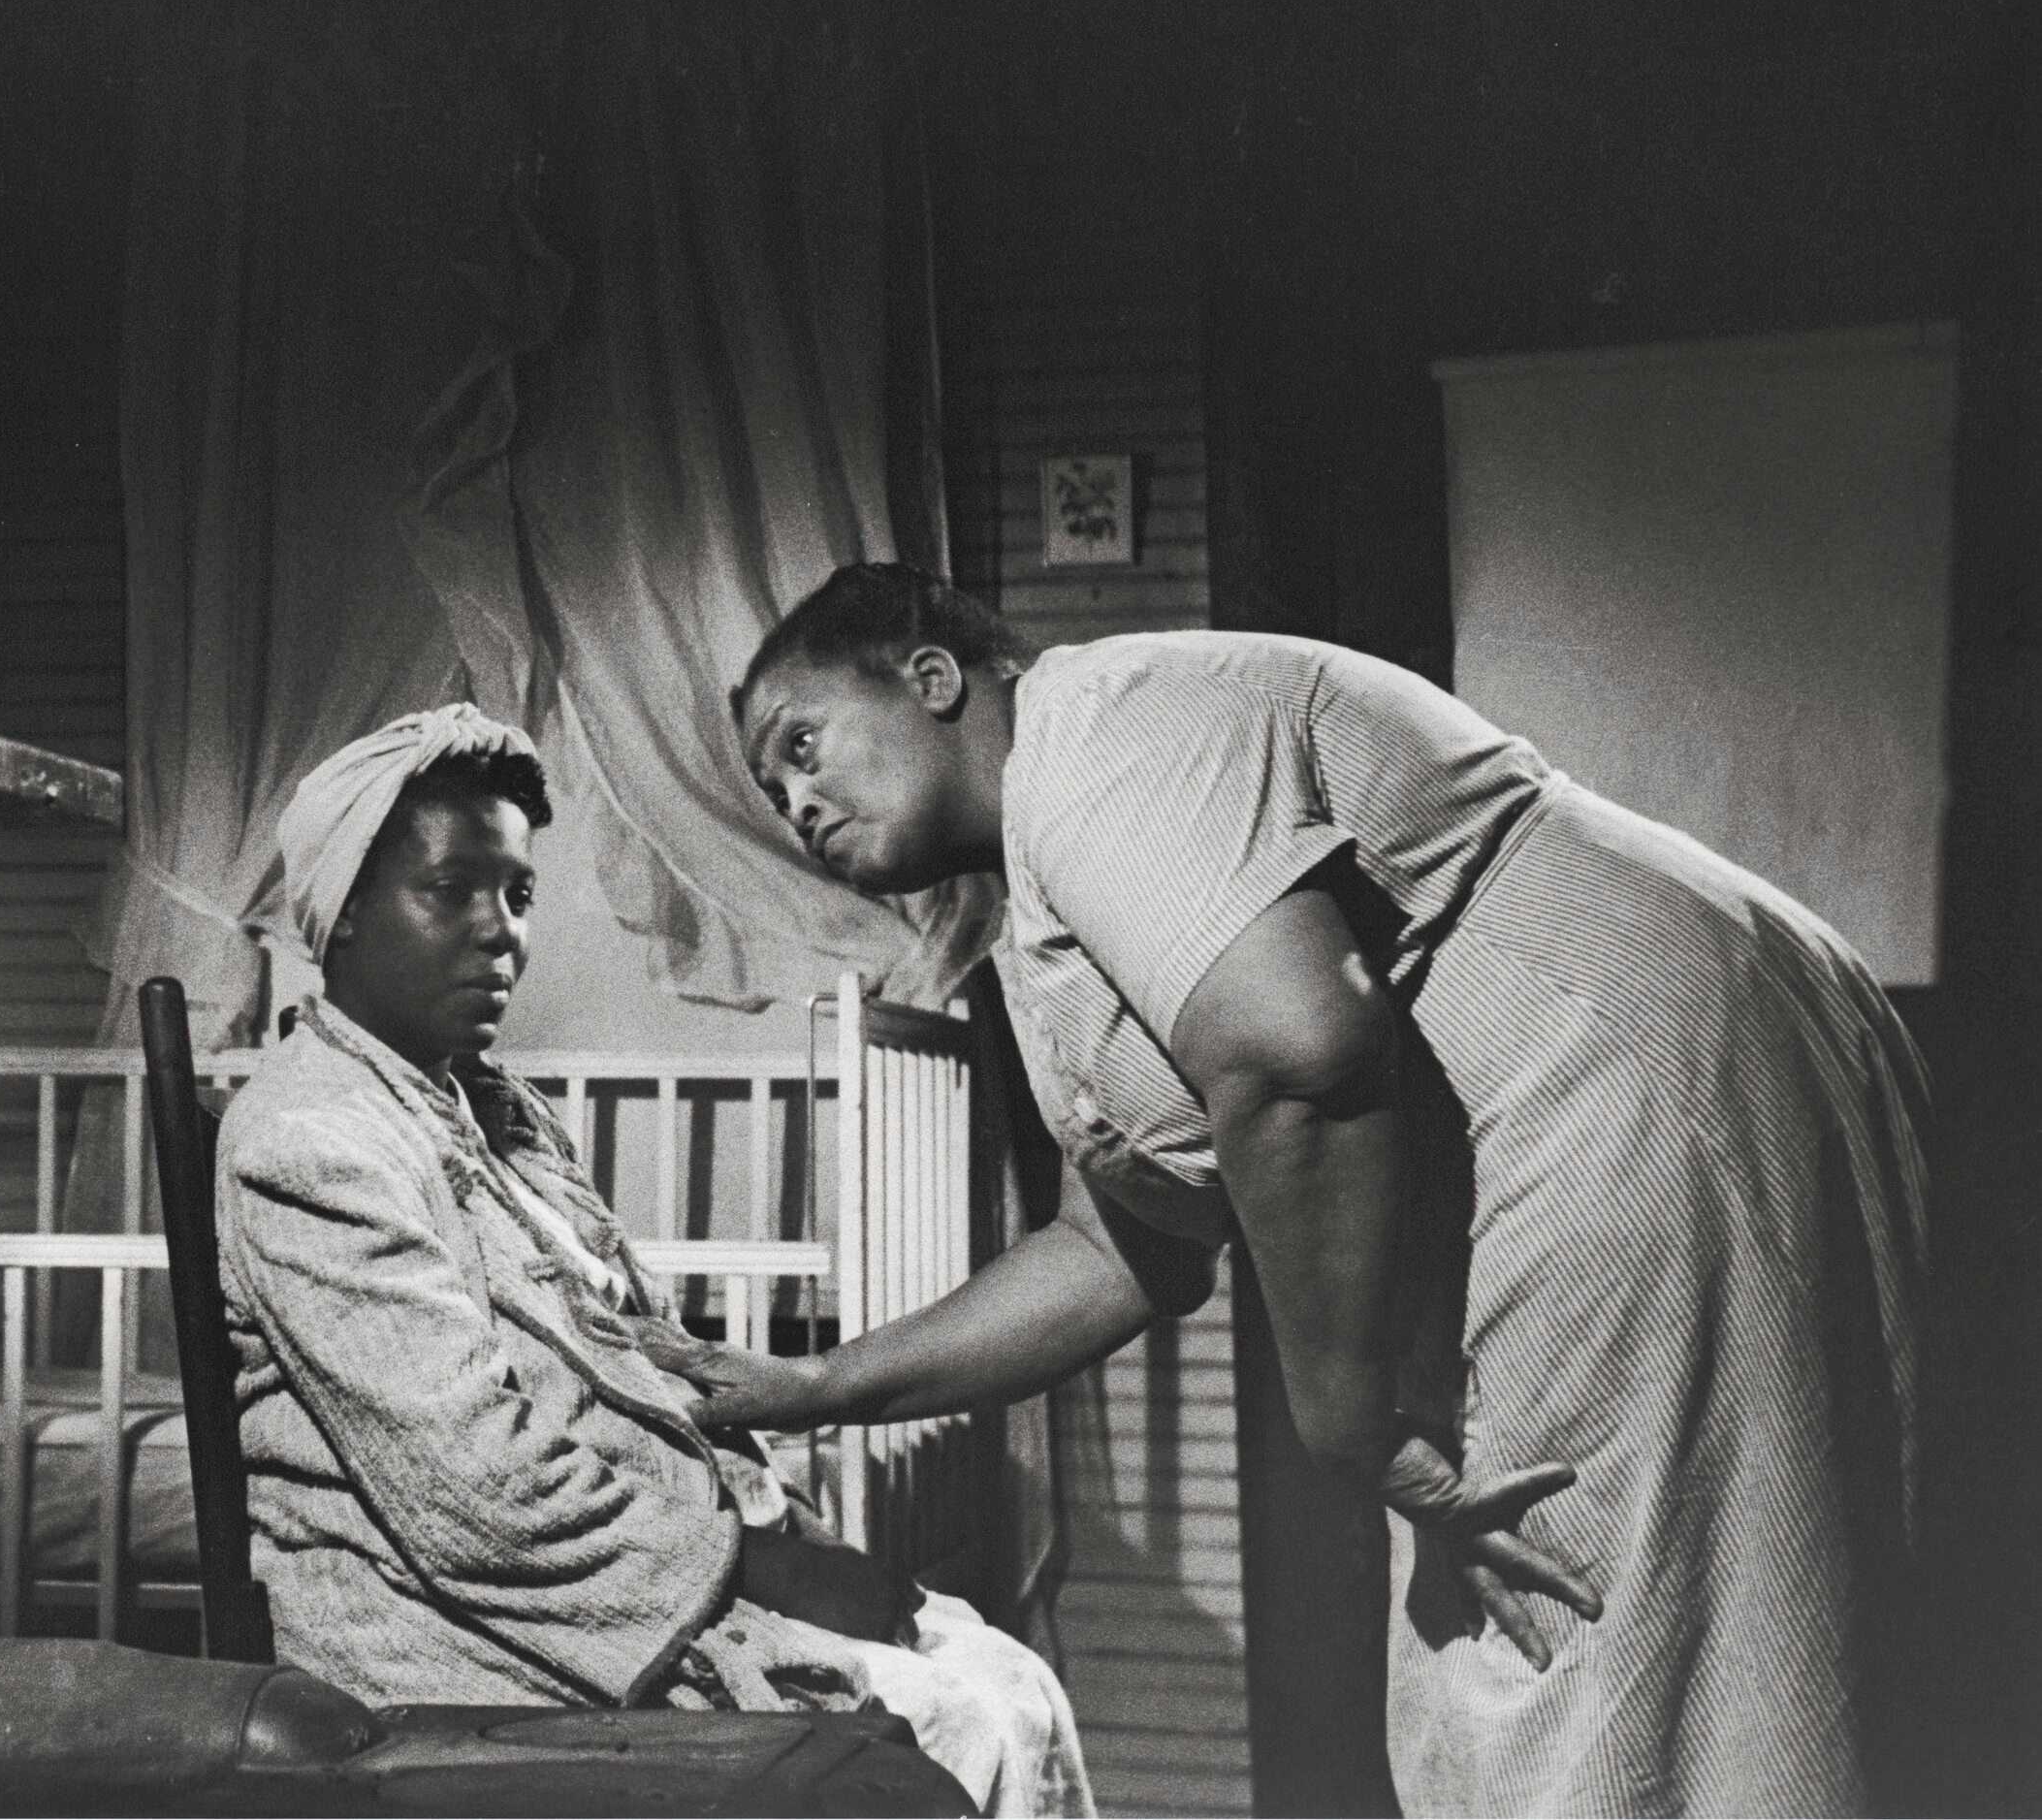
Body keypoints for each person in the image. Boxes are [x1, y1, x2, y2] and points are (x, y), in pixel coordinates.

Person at [644, 562, 1928, 1817]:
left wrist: (1348, 1424)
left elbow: (1297, 1045)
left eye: (803, 743)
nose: (795, 803)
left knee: (1604, 1658)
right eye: (772, 789)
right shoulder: (1049, 882)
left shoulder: (1099, 731)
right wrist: (815, 1385)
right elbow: (1115, 1253)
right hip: (1610, 1093)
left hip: (1615, 1068)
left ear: (931, 678)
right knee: (1594, 1657)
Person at [211, 705, 1093, 1816]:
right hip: (463, 1640)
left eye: (519, 895)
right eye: (450, 891)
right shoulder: (313, 1139)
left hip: (619, 1578)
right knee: (936, 1733)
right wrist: (760, 1572)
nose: (501, 933)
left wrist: (785, 1532)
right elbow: (475, 1491)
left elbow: (637, 1369)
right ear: (339, 916)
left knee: (1010, 1681)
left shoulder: (496, 1114)